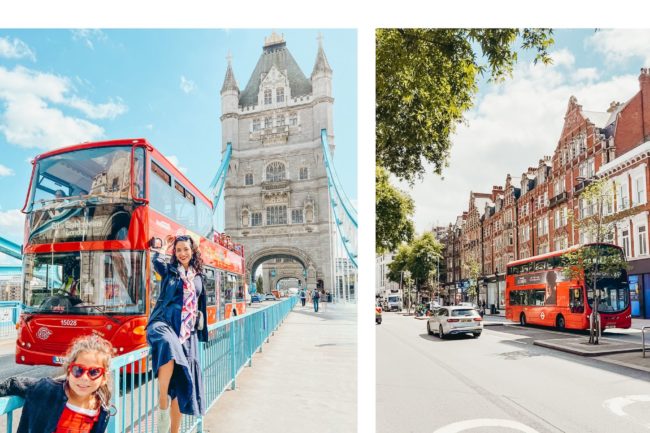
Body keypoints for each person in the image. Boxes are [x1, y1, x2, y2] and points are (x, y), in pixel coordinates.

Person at [146, 235, 208, 433]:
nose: (182, 253)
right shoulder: (170, 271)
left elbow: (201, 304)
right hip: (165, 323)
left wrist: (202, 329)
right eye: (178, 250)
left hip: (187, 334)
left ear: (192, 251)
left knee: (180, 387)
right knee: (168, 344)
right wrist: (163, 249)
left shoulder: (199, 276)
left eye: (185, 249)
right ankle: (162, 399)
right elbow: (156, 261)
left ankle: (174, 431)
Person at [0, 334, 113, 433]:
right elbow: (14, 383)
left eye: (94, 372)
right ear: (69, 371)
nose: (84, 378)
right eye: (78, 370)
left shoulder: (100, 410)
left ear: (104, 378)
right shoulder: (48, 390)